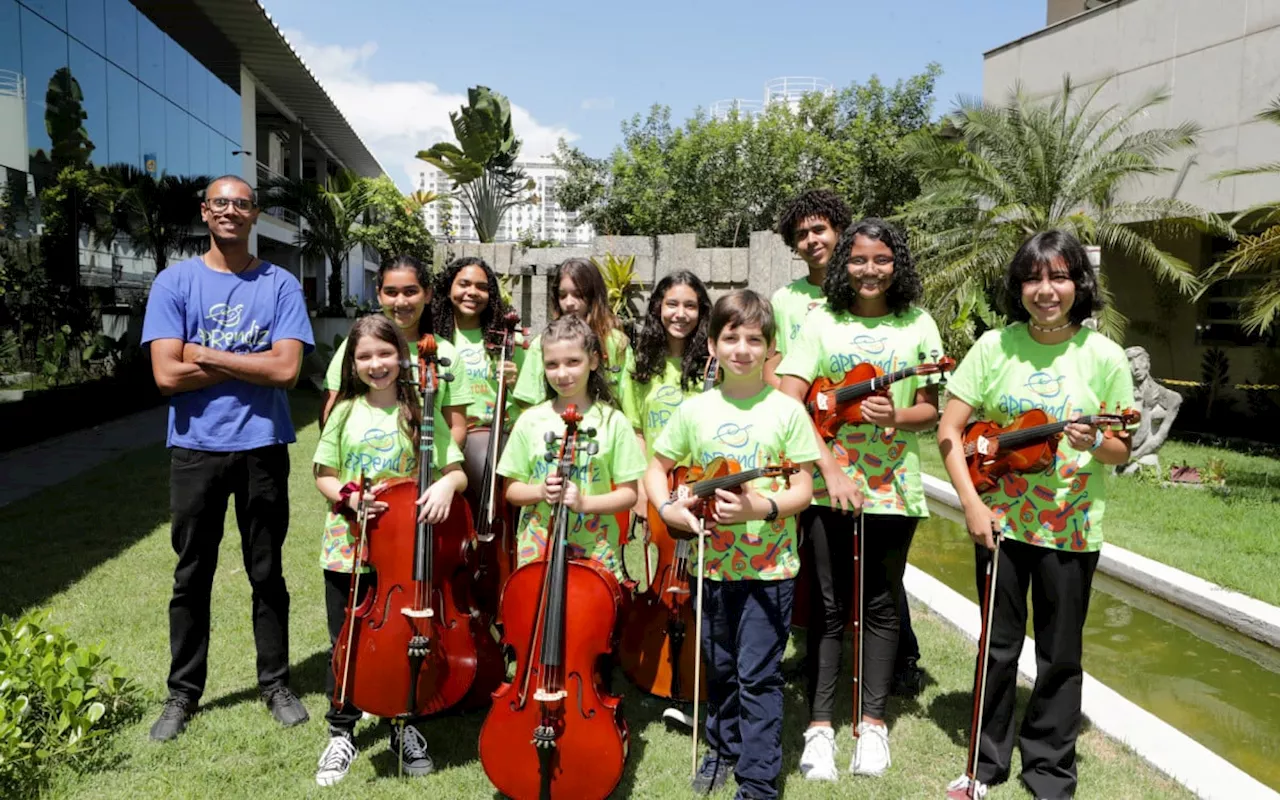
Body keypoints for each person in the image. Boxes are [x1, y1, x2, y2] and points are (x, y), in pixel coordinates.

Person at [938, 230, 1135, 800]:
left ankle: (1049, 771)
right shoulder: (993, 348)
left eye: (1058, 276)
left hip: (1071, 527)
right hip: (1000, 524)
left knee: (1060, 653)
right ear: (1018, 286)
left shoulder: (1103, 356)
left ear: (1079, 283)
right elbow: (951, 432)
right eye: (1033, 278)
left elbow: (1121, 447)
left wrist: (1092, 443)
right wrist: (972, 505)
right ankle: (983, 766)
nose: (1045, 290)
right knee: (997, 646)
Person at [142, 174, 313, 741]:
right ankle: (182, 694)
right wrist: (249, 360)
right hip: (195, 449)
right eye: (222, 203)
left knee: (267, 572)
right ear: (205, 211)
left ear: (255, 214)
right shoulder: (176, 282)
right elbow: (166, 375)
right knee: (192, 574)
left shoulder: (280, 284)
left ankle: (276, 684)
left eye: (242, 204)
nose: (232, 212)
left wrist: (204, 353)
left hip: (263, 444)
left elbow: (286, 371)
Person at [777, 218, 944, 780]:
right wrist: (830, 470)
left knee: (879, 603)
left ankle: (871, 727)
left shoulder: (918, 323)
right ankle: (820, 728)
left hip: (894, 484)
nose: (870, 270)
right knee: (826, 607)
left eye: (882, 259)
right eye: (859, 259)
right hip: (828, 486)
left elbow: (930, 410)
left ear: (898, 264)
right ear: (844, 263)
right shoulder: (822, 320)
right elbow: (791, 402)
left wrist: (896, 414)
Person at [645, 290, 819, 800]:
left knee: (758, 675)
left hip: (770, 571)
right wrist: (668, 508)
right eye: (731, 337)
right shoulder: (695, 410)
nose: (742, 349)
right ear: (713, 347)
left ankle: (759, 782)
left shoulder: (787, 412)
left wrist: (759, 509)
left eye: (754, 339)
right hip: (710, 568)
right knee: (719, 667)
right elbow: (657, 469)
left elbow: (803, 489)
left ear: (770, 350)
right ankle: (722, 749)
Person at [311, 315, 468, 786]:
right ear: (352, 363)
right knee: (347, 640)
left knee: (402, 641)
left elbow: (456, 471)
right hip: (348, 548)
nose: (376, 364)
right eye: (364, 356)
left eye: (384, 354)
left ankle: (402, 724)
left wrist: (445, 487)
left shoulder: (419, 411)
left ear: (400, 357)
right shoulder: (343, 412)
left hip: (403, 553)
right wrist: (350, 497)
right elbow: (324, 473)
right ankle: (342, 729)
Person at [616, 269, 713, 726]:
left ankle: (706, 666)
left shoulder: (712, 365)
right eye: (672, 304)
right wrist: (639, 490)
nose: (680, 314)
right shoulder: (640, 365)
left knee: (705, 582)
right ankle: (656, 662)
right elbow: (635, 430)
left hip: (704, 486)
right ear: (657, 307)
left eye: (690, 306)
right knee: (663, 581)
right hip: (658, 486)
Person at [498, 315, 646, 585]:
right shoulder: (530, 420)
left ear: (593, 360)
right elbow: (511, 490)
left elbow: (628, 495)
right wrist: (541, 491)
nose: (562, 373)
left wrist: (584, 503)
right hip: (539, 549)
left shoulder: (613, 422)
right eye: (552, 365)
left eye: (573, 362)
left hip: (596, 552)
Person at [321, 255, 471, 447]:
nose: (401, 302)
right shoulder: (356, 344)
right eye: (391, 292)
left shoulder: (445, 353)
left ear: (427, 294)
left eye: (410, 292)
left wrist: (430, 468)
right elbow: (331, 410)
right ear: (379, 294)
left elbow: (456, 427)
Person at [428, 256, 525, 501]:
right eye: (464, 284)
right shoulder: (433, 339)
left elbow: (530, 400)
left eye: (482, 287)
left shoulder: (508, 341)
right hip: (446, 435)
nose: (472, 292)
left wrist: (514, 383)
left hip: (495, 436)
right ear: (449, 287)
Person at [511, 257, 632, 408]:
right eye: (562, 296)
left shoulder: (616, 342)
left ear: (593, 296)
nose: (569, 303)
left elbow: (629, 403)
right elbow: (528, 401)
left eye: (578, 294)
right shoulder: (542, 343)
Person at [764, 188, 853, 387]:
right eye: (802, 234)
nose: (811, 240)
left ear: (838, 231)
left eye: (819, 230)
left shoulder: (860, 295)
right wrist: (797, 406)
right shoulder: (782, 299)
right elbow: (770, 368)